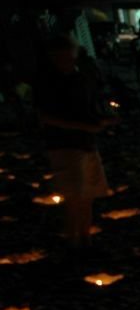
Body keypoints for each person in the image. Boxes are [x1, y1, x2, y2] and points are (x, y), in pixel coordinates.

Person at [34, 36, 116, 248]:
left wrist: (102, 119)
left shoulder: (80, 78)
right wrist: (85, 126)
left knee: (88, 194)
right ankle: (73, 241)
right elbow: (46, 117)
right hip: (64, 145)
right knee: (74, 195)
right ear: (54, 57)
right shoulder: (49, 82)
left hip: (87, 143)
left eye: (70, 54)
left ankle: (86, 238)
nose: (68, 59)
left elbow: (87, 108)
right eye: (62, 56)